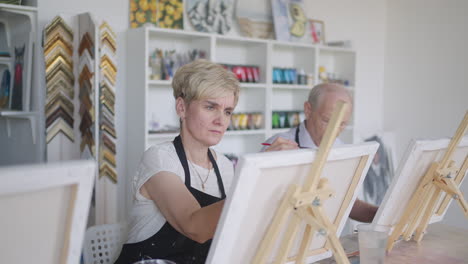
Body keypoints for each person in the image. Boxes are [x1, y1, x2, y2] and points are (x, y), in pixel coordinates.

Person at [115, 60, 240, 264]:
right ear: (182, 108)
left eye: (227, 111)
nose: (221, 120)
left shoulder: (225, 166)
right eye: (210, 107)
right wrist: (252, 187)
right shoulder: (159, 158)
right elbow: (194, 226)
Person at [262, 83, 378, 223]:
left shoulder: (342, 149)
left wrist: (384, 214)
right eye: (327, 121)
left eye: (342, 124)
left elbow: (347, 203)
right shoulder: (278, 145)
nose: (334, 131)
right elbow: (260, 204)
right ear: (308, 110)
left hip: (323, 238)